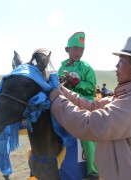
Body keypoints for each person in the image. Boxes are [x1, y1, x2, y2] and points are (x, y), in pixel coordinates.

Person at [49, 36, 131, 179]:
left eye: (121, 61)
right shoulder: (130, 94)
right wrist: (60, 90)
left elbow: (91, 124)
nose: (116, 66)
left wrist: (56, 100)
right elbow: (92, 106)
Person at [58, 32, 98, 179]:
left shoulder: (86, 67)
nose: (78, 52)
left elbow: (91, 88)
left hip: (84, 106)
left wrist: (77, 83)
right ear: (67, 50)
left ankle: (93, 171)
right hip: (64, 105)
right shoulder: (61, 68)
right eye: (75, 49)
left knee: (87, 136)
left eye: (81, 50)